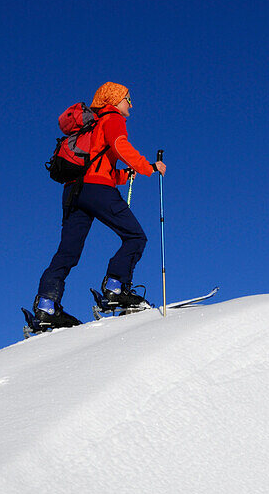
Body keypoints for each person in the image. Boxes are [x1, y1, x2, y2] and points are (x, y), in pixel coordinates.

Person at [33, 82, 168, 327]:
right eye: (128, 99)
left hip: (74, 192)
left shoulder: (90, 127)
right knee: (136, 237)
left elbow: (96, 168)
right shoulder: (112, 118)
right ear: (115, 100)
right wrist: (148, 167)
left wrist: (124, 175)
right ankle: (115, 288)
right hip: (96, 190)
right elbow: (119, 146)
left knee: (68, 252)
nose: (131, 104)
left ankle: (47, 306)